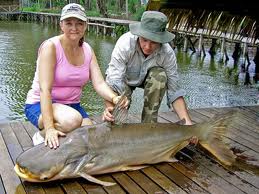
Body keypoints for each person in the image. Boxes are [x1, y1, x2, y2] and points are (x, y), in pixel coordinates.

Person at [24, 3, 127, 149]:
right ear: (61, 25)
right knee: (72, 121)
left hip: (72, 106)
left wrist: (114, 98)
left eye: (79, 23)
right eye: (69, 23)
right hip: (39, 105)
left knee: (92, 134)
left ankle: (64, 133)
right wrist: (49, 128)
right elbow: (44, 90)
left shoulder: (88, 50)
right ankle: (41, 135)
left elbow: (99, 84)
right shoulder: (50, 47)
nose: (74, 28)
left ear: (85, 26)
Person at [103, 11, 197, 144]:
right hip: (124, 80)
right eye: (144, 39)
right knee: (115, 123)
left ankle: (148, 128)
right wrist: (109, 107)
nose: (147, 46)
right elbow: (112, 82)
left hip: (151, 78)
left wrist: (188, 125)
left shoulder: (167, 53)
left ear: (162, 39)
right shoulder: (125, 44)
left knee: (160, 76)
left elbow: (174, 91)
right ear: (138, 34)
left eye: (154, 42)